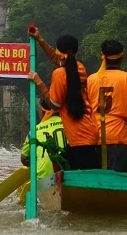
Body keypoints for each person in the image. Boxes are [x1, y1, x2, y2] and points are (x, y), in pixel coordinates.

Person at [27, 34, 99, 171]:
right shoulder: (80, 68)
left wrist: (39, 82)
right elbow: (58, 59)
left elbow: (54, 104)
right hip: (91, 131)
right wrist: (40, 39)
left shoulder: (59, 74)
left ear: (59, 51)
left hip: (79, 138)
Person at [86, 40, 127, 173]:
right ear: (122, 56)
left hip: (94, 137)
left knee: (97, 179)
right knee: (117, 180)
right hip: (118, 137)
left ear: (102, 55)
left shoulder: (91, 79)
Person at [20, 102, 62, 180]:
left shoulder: (33, 132)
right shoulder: (70, 126)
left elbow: (24, 159)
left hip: (43, 180)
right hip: (69, 177)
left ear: (42, 112)